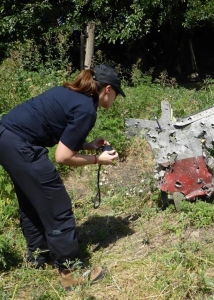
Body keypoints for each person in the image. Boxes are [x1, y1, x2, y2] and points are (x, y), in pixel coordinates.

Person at [0, 64, 124, 289]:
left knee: (32, 202)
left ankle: (39, 257)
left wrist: (86, 145)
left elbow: (57, 131)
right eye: (116, 93)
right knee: (57, 207)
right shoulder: (87, 108)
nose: (115, 99)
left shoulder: (70, 93)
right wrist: (98, 160)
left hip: (6, 139)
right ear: (107, 89)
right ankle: (70, 273)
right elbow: (63, 157)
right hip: (22, 146)